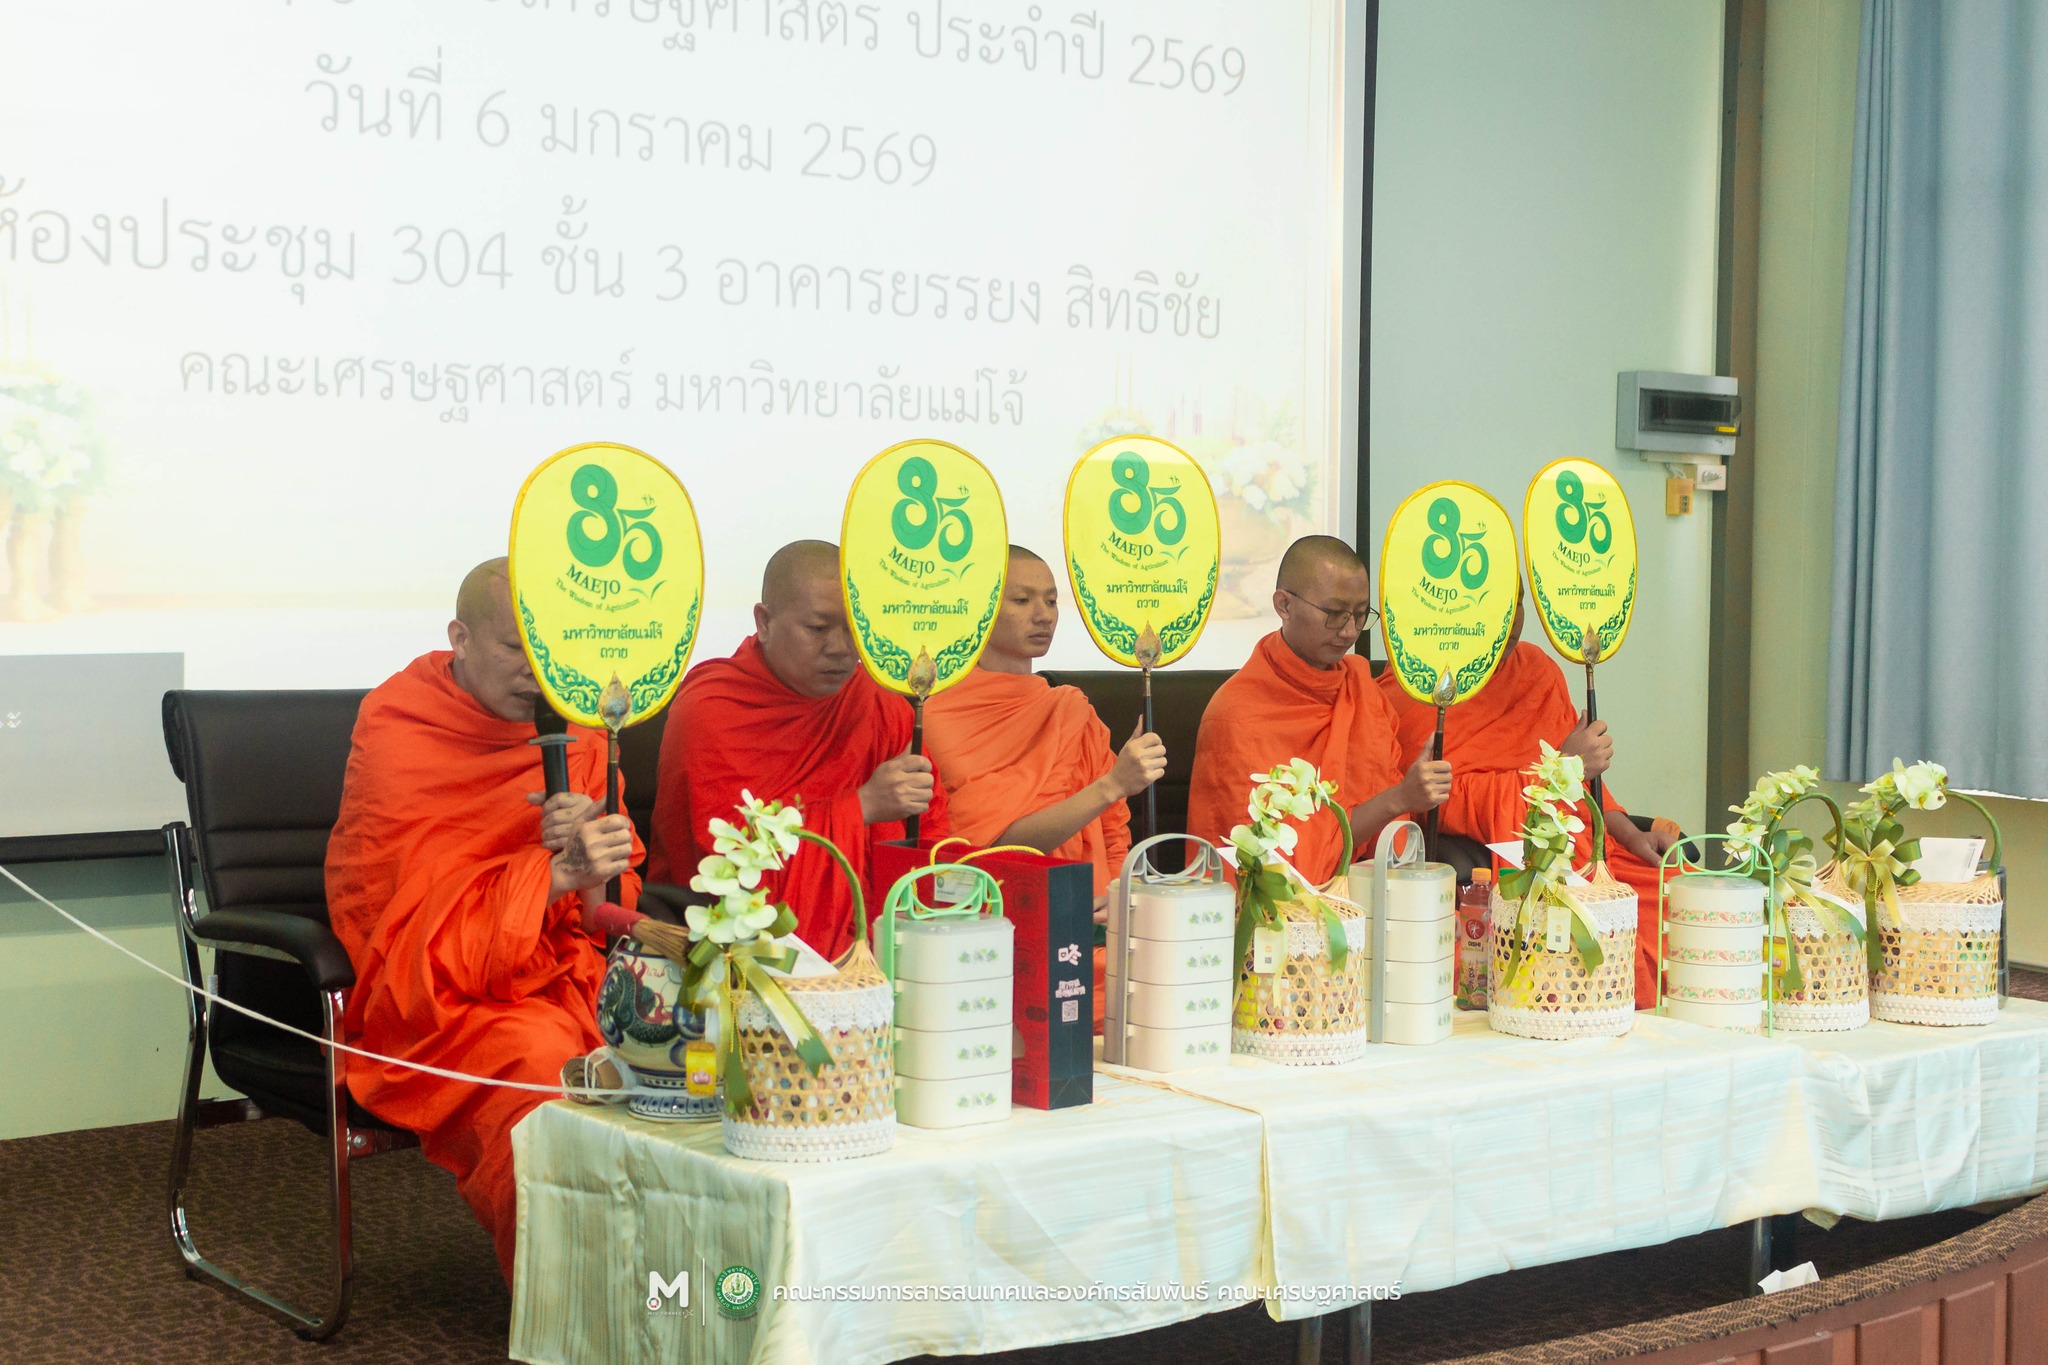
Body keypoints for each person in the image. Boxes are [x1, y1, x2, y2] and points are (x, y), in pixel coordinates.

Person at [326, 557, 639, 1284]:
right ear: (460, 637)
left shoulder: (584, 729)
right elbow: (402, 924)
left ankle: (673, 1279)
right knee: (544, 1064)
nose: (538, 671)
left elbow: (604, 916)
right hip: (437, 993)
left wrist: (588, 858)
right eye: (516, 649)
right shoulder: (402, 723)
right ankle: (575, 1302)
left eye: (552, 652)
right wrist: (549, 874)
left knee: (683, 1048)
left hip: (561, 971)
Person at [648, 539, 950, 958]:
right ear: (764, 621)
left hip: (879, 944)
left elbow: (931, 833)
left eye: (854, 628)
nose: (841, 648)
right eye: (818, 628)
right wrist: (862, 807)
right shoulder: (713, 708)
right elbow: (728, 866)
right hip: (740, 955)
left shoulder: (877, 703)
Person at [1377, 596, 1679, 1007]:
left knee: (1682, 898)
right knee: (1585, 931)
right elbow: (1439, 799)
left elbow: (1586, 790)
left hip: (1581, 848)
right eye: (1494, 602)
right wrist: (1563, 767)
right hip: (1511, 862)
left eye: (1516, 602)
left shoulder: (1536, 670)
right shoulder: (1415, 690)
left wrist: (1629, 834)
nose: (1511, 619)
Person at [923, 547, 1167, 1031]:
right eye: (1022, 600)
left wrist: (1118, 890)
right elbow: (993, 852)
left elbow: (1113, 829)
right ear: (980, 608)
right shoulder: (940, 715)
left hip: (1088, 936)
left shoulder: (1067, 708)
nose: (1044, 615)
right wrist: (1112, 784)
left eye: (1052, 601)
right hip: (995, 942)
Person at [1188, 535, 1451, 885]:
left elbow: (1390, 840)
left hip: (1365, 894)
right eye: (1334, 614)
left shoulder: (1362, 692)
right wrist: (1398, 798)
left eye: (1360, 615)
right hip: (1279, 911)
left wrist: (1405, 798)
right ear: (1284, 604)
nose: (1349, 631)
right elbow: (1271, 866)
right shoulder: (1238, 714)